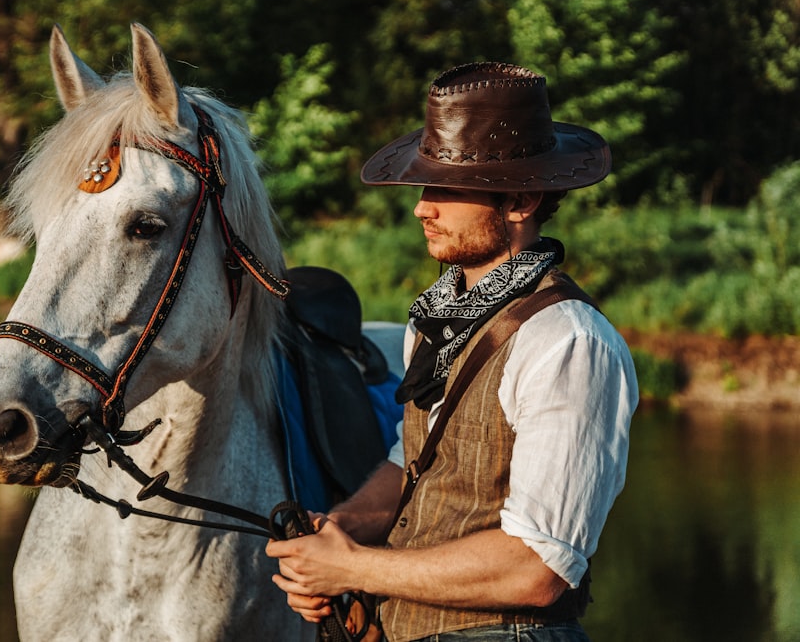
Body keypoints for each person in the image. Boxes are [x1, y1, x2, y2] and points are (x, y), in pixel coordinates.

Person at [266, 62, 638, 642]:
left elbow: (536, 568)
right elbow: (412, 462)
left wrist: (353, 568)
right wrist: (336, 534)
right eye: (423, 186)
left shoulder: (568, 343)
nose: (421, 208)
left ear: (520, 200)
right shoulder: (438, 319)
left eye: (446, 189)